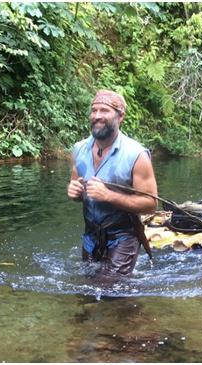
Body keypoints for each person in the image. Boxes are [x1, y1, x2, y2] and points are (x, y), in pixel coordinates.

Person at [67, 90, 158, 279]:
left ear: (120, 116)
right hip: (91, 235)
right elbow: (76, 187)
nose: (97, 116)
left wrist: (108, 195)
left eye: (104, 111)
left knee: (111, 290)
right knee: (86, 288)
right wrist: (75, 192)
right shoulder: (79, 149)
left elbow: (150, 205)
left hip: (124, 235)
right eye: (94, 110)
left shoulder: (136, 155)